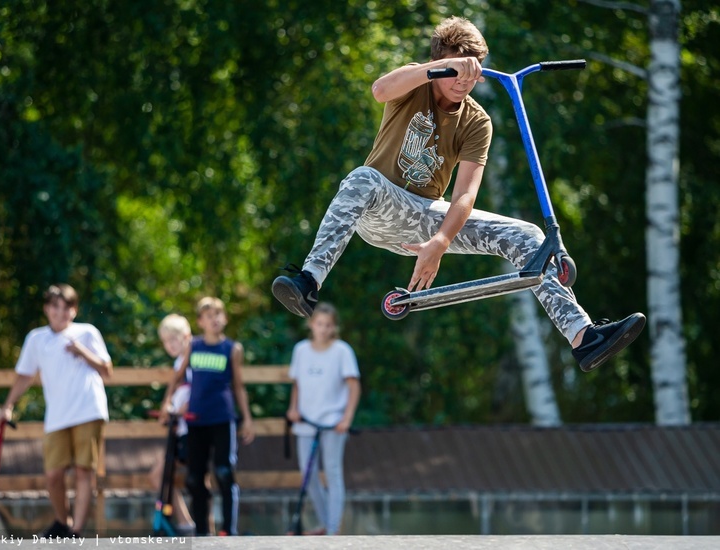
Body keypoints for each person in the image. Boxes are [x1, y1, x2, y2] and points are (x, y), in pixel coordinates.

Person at [271, 15, 645, 373]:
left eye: (472, 71)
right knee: (361, 178)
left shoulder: (477, 121)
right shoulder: (414, 85)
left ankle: (583, 337)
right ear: (437, 63)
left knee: (529, 236)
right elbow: (379, 89)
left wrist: (440, 241)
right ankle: (309, 281)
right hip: (379, 206)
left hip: (427, 217)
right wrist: (435, 69)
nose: (463, 80)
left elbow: (465, 195)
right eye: (454, 70)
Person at [0, 284, 112, 538]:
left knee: (84, 471)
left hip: (88, 410)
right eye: (56, 307)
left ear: (74, 310)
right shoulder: (36, 339)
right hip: (57, 416)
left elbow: (107, 370)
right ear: (47, 309)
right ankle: (62, 522)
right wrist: (7, 407)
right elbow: (24, 376)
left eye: (67, 307)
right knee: (53, 474)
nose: (61, 313)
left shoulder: (87, 332)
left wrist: (82, 351)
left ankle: (76, 531)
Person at [162, 297, 255, 536]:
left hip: (222, 418)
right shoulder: (193, 345)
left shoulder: (232, 349)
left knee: (224, 472)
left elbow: (238, 386)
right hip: (195, 420)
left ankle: (228, 530)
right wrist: (167, 404)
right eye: (208, 316)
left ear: (224, 318)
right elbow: (177, 375)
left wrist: (247, 419)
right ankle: (202, 531)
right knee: (194, 478)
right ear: (200, 321)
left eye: (218, 315)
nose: (214, 320)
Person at [286, 302, 361, 536]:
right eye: (319, 324)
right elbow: (297, 383)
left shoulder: (342, 351)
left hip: (332, 423)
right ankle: (326, 521)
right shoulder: (301, 350)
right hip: (306, 422)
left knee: (332, 473)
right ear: (311, 325)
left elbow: (354, 386)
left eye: (328, 325)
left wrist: (346, 418)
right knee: (308, 476)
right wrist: (293, 408)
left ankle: (332, 530)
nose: (323, 329)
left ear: (334, 327)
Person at [148, 314, 196, 535]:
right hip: (180, 430)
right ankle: (185, 523)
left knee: (198, 481)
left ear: (186, 337)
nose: (170, 345)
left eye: (174, 340)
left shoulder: (194, 358)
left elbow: (197, 392)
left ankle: (193, 527)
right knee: (159, 474)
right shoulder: (179, 362)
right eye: (166, 341)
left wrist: (179, 410)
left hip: (193, 431)